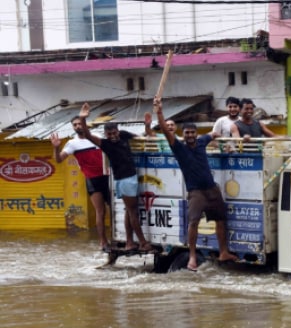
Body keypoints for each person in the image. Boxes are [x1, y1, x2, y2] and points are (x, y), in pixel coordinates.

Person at [153, 97, 238, 271]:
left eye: (192, 133)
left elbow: (213, 134)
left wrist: (223, 140)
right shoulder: (178, 147)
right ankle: (192, 256)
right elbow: (164, 129)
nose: (190, 136)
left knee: (220, 220)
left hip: (212, 189)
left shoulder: (201, 142)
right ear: (183, 135)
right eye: (187, 133)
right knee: (193, 223)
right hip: (196, 192)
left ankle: (223, 252)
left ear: (196, 134)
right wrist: (159, 112)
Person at [80, 103, 155, 252]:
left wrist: (147, 126)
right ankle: (143, 242)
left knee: (129, 211)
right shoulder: (105, 144)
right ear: (105, 134)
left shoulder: (125, 135)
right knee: (133, 211)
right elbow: (88, 135)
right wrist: (83, 120)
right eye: (110, 134)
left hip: (130, 178)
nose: (113, 136)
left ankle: (129, 242)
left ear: (118, 131)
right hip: (124, 180)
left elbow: (144, 137)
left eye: (114, 133)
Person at [50, 104, 111, 252]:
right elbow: (58, 160)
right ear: (73, 127)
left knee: (114, 211)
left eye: (79, 123)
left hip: (108, 177)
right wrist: (56, 148)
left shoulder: (97, 138)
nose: (78, 126)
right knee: (100, 211)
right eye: (75, 125)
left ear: (85, 124)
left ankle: (116, 239)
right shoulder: (72, 143)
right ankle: (103, 242)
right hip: (92, 179)